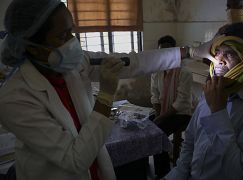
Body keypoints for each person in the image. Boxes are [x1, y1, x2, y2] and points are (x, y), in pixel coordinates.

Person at [0, 0, 210, 180]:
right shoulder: (15, 98)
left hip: (96, 166)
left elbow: (133, 61)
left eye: (72, 31)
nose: (73, 42)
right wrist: (106, 94)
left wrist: (189, 51)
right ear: (33, 46)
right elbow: (75, 159)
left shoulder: (72, 64)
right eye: (64, 36)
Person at [165, 22, 243, 180]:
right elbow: (190, 141)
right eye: (217, 52)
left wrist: (218, 111)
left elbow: (236, 172)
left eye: (230, 53)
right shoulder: (210, 92)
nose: (219, 60)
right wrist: (178, 174)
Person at [151, 35, 193, 178]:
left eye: (167, 53)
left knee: (158, 132)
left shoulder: (184, 72)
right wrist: (158, 116)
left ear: (174, 53)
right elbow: (155, 95)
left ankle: (163, 173)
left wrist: (160, 118)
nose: (163, 56)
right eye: (160, 53)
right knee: (141, 126)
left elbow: (181, 102)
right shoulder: (156, 71)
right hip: (163, 111)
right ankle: (142, 165)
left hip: (181, 114)